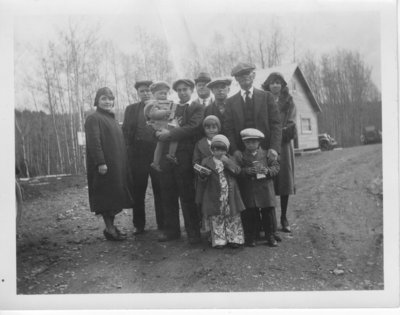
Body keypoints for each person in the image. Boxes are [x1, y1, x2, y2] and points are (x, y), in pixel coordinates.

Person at [223, 62, 282, 239]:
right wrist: (234, 150)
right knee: (248, 193)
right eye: (240, 77)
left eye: (247, 75)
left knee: (266, 192)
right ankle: (253, 231)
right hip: (243, 154)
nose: (244, 79)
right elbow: (228, 128)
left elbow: (276, 124)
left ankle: (270, 230)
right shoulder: (231, 102)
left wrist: (273, 148)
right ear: (236, 80)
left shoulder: (266, 97)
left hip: (264, 153)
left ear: (253, 76)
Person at [156, 79, 204, 244]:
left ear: (192, 90)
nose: (182, 92)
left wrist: (169, 135)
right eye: (179, 90)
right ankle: (172, 231)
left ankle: (193, 232)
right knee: (168, 194)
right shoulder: (172, 107)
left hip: (186, 156)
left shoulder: (197, 107)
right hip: (168, 156)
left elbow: (193, 127)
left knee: (187, 195)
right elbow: (161, 124)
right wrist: (158, 132)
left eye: (185, 89)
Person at [85, 87, 133, 241]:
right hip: (104, 166)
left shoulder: (111, 118)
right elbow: (94, 142)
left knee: (114, 196)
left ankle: (111, 227)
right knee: (106, 197)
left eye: (110, 99)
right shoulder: (94, 118)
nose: (107, 102)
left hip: (116, 165)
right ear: (97, 101)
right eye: (104, 99)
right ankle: (110, 229)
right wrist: (100, 162)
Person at [122, 80, 164, 235]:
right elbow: (125, 132)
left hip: (156, 153)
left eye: (148, 91)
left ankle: (163, 224)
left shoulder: (161, 107)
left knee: (160, 189)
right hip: (137, 155)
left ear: (152, 92)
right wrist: (128, 154)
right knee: (138, 191)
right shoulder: (131, 109)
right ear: (137, 93)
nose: (145, 93)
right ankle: (139, 225)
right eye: (142, 91)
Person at [262, 72, 297, 233]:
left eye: (278, 82)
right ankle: (270, 220)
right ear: (267, 85)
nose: (275, 85)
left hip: (283, 145)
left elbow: (291, 124)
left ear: (282, 85)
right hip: (267, 144)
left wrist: (277, 135)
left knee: (284, 181)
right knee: (267, 180)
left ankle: (284, 217)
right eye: (272, 82)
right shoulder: (263, 100)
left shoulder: (289, 102)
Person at [197, 134, 245, 249]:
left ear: (226, 150)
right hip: (214, 194)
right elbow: (201, 179)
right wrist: (202, 175)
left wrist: (228, 162)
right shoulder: (206, 161)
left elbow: (237, 171)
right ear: (212, 150)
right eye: (216, 149)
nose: (219, 152)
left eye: (222, 149)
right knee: (217, 217)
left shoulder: (230, 159)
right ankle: (219, 240)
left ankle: (234, 238)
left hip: (230, 194)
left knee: (232, 216)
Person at [236, 128, 280, 247]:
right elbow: (237, 170)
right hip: (250, 190)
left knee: (268, 214)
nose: (251, 145)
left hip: (265, 190)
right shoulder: (241, 156)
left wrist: (268, 170)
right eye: (248, 142)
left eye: (254, 142)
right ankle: (251, 236)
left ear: (259, 142)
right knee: (250, 214)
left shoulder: (266, 154)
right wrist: (247, 171)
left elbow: (276, 166)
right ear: (244, 143)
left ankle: (270, 235)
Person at [193, 115, 221, 232]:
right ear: (204, 129)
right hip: (206, 181)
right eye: (208, 127)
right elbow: (195, 162)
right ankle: (210, 231)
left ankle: (222, 230)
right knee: (207, 204)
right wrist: (202, 171)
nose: (211, 130)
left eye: (214, 127)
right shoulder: (200, 144)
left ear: (218, 128)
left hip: (220, 179)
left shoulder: (223, 140)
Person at [144, 81, 179, 171]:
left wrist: (173, 114)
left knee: (175, 138)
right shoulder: (153, 104)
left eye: (165, 93)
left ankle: (171, 155)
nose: (163, 95)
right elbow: (153, 114)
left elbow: (173, 114)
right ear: (153, 94)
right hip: (159, 126)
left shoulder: (169, 102)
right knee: (160, 144)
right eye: (161, 93)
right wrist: (165, 112)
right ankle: (155, 163)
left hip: (168, 125)